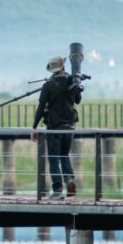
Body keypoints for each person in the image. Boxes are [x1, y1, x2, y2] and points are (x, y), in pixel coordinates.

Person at [31, 55, 81, 200]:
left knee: (53, 159)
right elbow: (77, 100)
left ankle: (58, 190)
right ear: (64, 67)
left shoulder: (48, 85)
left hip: (54, 127)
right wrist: (76, 87)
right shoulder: (73, 82)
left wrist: (34, 127)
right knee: (64, 155)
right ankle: (69, 179)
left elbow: (41, 108)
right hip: (70, 127)